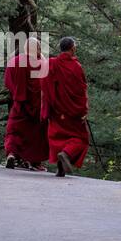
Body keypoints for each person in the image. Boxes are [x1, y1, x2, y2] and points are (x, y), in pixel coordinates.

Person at [42, 36, 89, 177]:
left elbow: (43, 84)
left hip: (56, 109)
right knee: (81, 138)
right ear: (72, 48)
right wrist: (84, 109)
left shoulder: (51, 63)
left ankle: (60, 168)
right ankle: (66, 154)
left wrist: (48, 104)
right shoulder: (76, 67)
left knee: (58, 137)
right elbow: (81, 90)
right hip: (73, 111)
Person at [3, 36, 49, 170]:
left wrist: (17, 92)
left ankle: (11, 154)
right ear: (37, 49)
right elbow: (47, 84)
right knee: (36, 134)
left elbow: (8, 82)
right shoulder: (42, 63)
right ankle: (34, 162)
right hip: (37, 106)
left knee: (15, 130)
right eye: (39, 47)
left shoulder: (15, 61)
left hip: (20, 104)